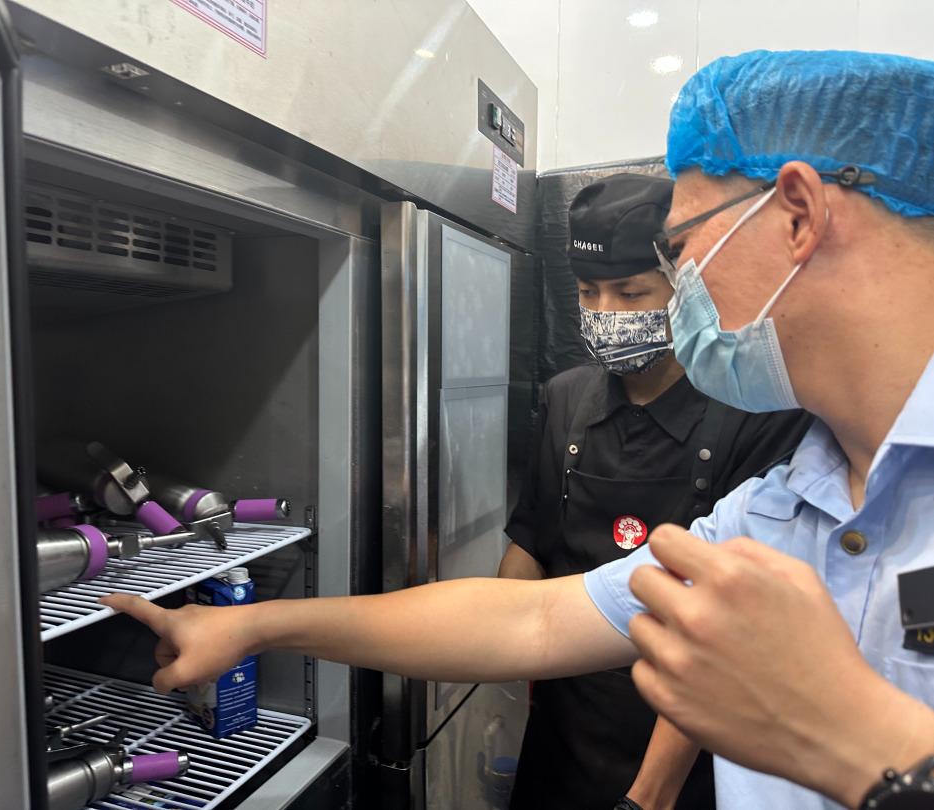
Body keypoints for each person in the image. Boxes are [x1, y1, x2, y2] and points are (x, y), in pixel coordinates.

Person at [103, 49, 934, 810]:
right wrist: (255, 624)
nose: (683, 288)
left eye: (682, 248)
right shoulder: (784, 507)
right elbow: (530, 619)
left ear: (795, 215)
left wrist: (863, 747)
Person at [499, 172, 811, 810]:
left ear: (683, 288)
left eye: (631, 292)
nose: (606, 313)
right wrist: (495, 645)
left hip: (685, 736)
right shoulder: (566, 399)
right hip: (565, 719)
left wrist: (649, 796)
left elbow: (726, 631)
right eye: (588, 293)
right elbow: (530, 542)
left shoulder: (755, 414)